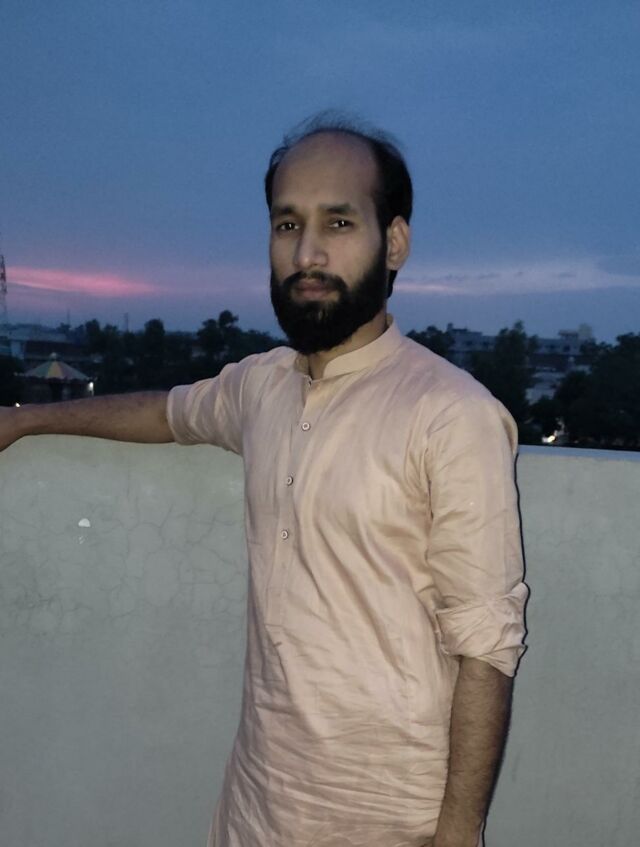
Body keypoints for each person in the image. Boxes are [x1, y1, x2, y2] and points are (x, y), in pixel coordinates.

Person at [0, 116, 528, 847]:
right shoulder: (264, 387)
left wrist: (458, 834)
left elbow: (487, 647)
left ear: (394, 242)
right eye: (287, 224)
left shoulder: (451, 414)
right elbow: (166, 412)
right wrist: (24, 420)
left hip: (386, 817)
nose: (307, 253)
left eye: (338, 222)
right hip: (257, 799)